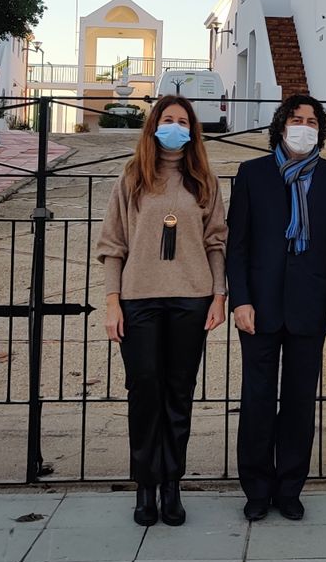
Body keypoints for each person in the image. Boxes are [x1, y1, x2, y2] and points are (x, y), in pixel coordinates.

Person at [96, 94, 228, 527]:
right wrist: (113, 301)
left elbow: (215, 243)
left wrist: (219, 295)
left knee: (178, 396)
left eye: (182, 120)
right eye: (167, 119)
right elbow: (113, 244)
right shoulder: (132, 178)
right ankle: (145, 485)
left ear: (193, 130)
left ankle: (172, 484)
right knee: (145, 394)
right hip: (139, 300)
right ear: (154, 125)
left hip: (191, 299)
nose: (175, 126)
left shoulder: (204, 181)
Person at [227, 94, 326, 521]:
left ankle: (290, 488)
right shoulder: (252, 174)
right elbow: (238, 246)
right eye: (296, 119)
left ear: (321, 130)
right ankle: (257, 489)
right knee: (258, 398)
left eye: (312, 120)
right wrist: (240, 300)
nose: (304, 126)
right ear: (281, 127)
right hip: (259, 308)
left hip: (310, 306)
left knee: (300, 401)